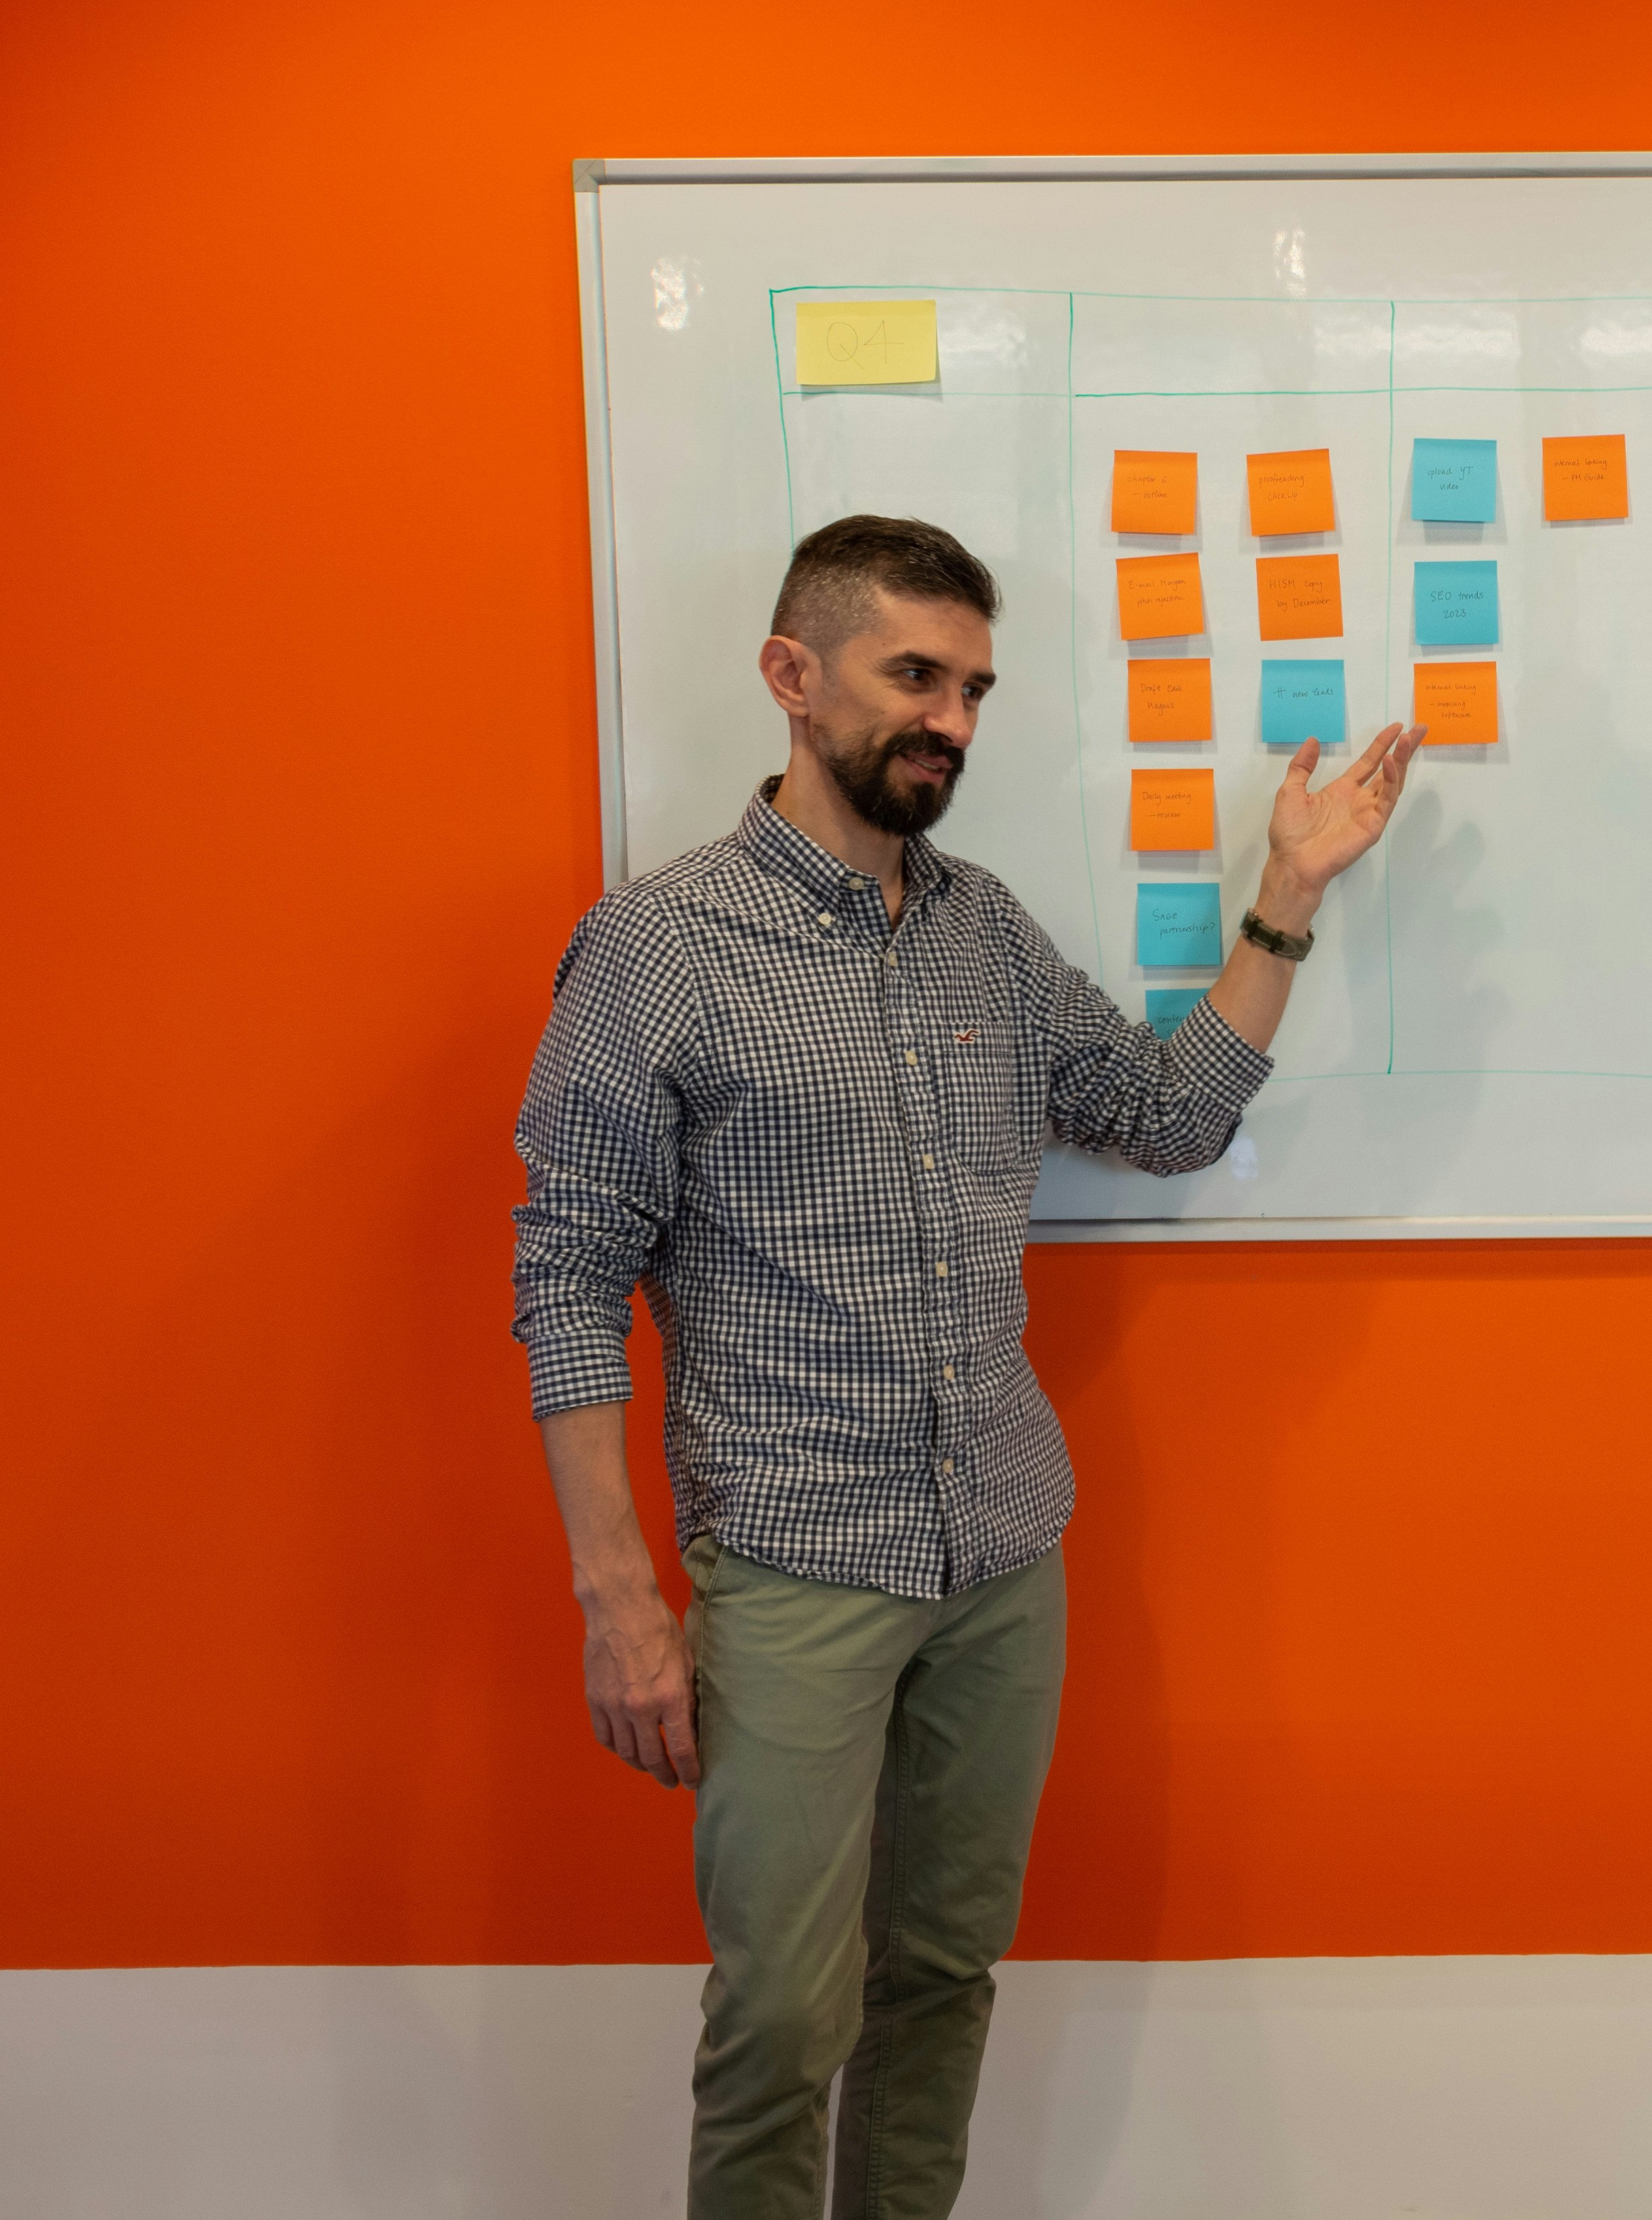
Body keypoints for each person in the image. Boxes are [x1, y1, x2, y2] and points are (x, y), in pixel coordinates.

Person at [511, 514, 1418, 2217]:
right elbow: (567, 1272)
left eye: (975, 688)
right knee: (783, 2016)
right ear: (793, 677)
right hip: (794, 1569)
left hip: (1003, 1556)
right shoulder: (655, 951)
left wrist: (1287, 895)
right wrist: (617, 1593)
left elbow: (1165, 1121)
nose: (951, 721)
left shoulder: (985, 934)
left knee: (942, 1979)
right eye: (912, 675)